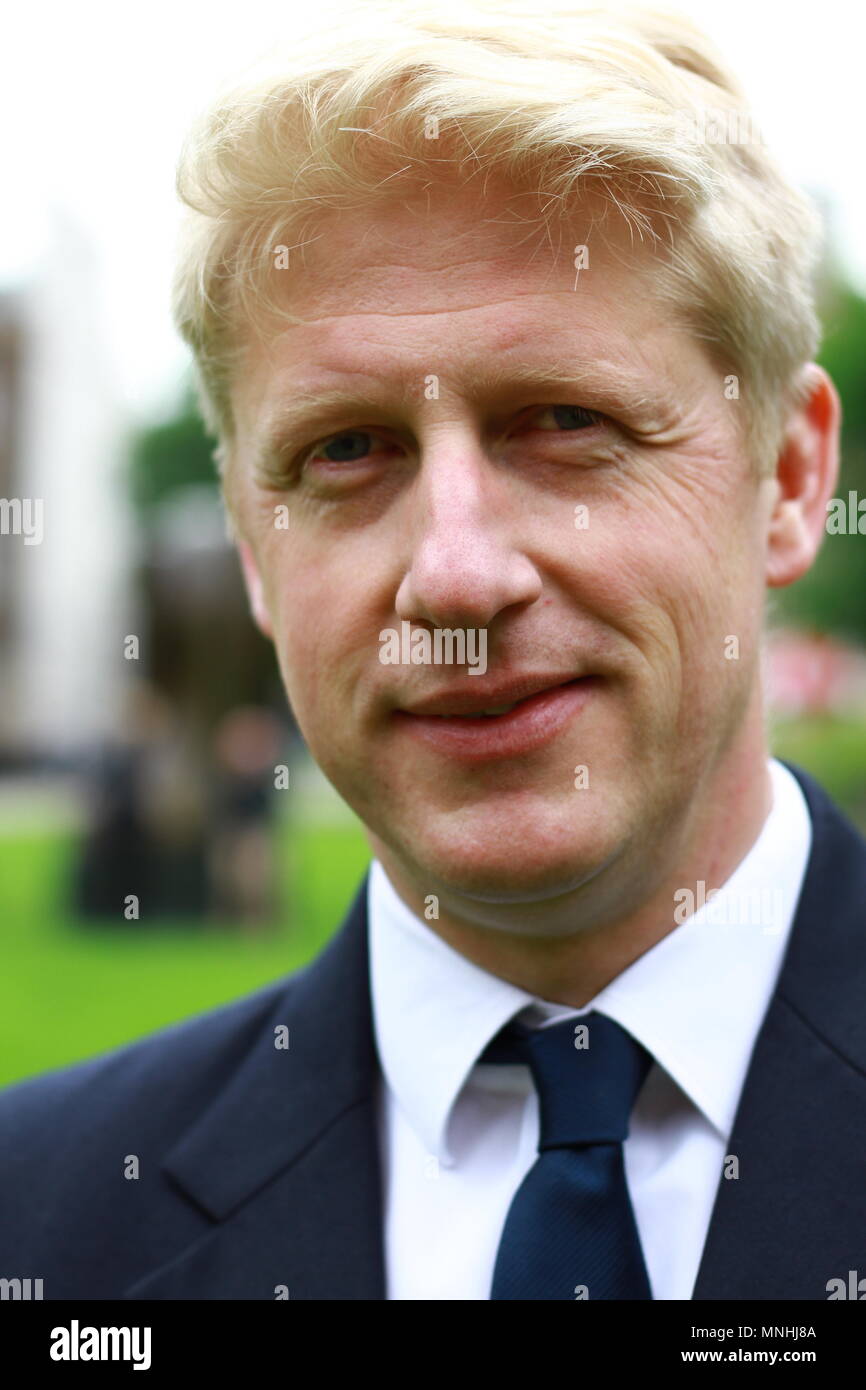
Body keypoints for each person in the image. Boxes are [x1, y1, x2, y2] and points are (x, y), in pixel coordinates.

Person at [0, 1, 860, 1302]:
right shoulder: (39, 1220)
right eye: (345, 450)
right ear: (248, 539)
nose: (454, 571)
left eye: (565, 419)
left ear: (788, 477)